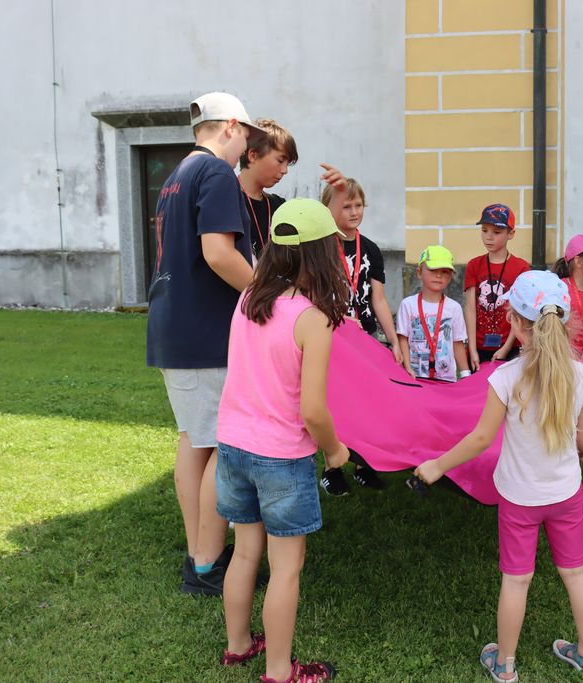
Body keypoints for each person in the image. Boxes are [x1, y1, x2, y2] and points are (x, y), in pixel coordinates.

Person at [415, 270, 583, 680]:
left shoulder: (505, 378)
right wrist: (577, 458)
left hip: (519, 499)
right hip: (566, 494)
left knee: (517, 581)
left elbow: (482, 438)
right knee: (576, 572)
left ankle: (505, 663)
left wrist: (437, 466)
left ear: (514, 322)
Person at [215, 198, 352, 683]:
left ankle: (238, 645)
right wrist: (335, 450)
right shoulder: (313, 319)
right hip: (281, 457)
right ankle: (279, 670)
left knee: (244, 551)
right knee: (286, 567)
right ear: (323, 253)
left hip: (232, 447)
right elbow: (313, 410)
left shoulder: (248, 298)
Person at [146, 91, 262, 595]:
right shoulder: (215, 172)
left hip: (174, 328)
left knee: (195, 441)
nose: (246, 150)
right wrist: (266, 295)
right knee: (222, 445)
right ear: (231, 126)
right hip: (205, 331)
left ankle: (199, 553)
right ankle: (208, 564)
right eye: (246, 138)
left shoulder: (176, 174)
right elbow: (218, 253)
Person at [320, 178, 401, 492]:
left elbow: (378, 299)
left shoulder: (370, 249)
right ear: (329, 209)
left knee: (367, 403)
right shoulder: (321, 247)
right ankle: (332, 468)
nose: (354, 212)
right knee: (336, 404)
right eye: (346, 206)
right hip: (332, 339)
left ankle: (364, 465)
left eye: (358, 205)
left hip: (365, 338)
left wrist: (393, 340)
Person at [465, 203, 530, 369]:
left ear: (511, 234)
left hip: (510, 346)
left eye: (496, 232)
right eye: (484, 230)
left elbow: (520, 311)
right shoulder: (474, 265)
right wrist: (472, 348)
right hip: (479, 347)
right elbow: (470, 308)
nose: (489, 237)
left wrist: (506, 347)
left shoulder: (521, 267)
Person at [396, 245, 469, 382]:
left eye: (445, 271)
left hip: (446, 380)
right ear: (419, 272)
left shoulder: (454, 308)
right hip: (414, 377)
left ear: (451, 276)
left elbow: (457, 342)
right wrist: (407, 367)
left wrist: (465, 373)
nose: (438, 275)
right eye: (433, 270)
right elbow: (403, 339)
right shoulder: (408, 305)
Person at [237, 118, 297, 259]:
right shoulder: (228, 200)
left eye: (288, 163)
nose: (285, 170)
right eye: (280, 160)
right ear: (253, 156)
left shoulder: (279, 206)